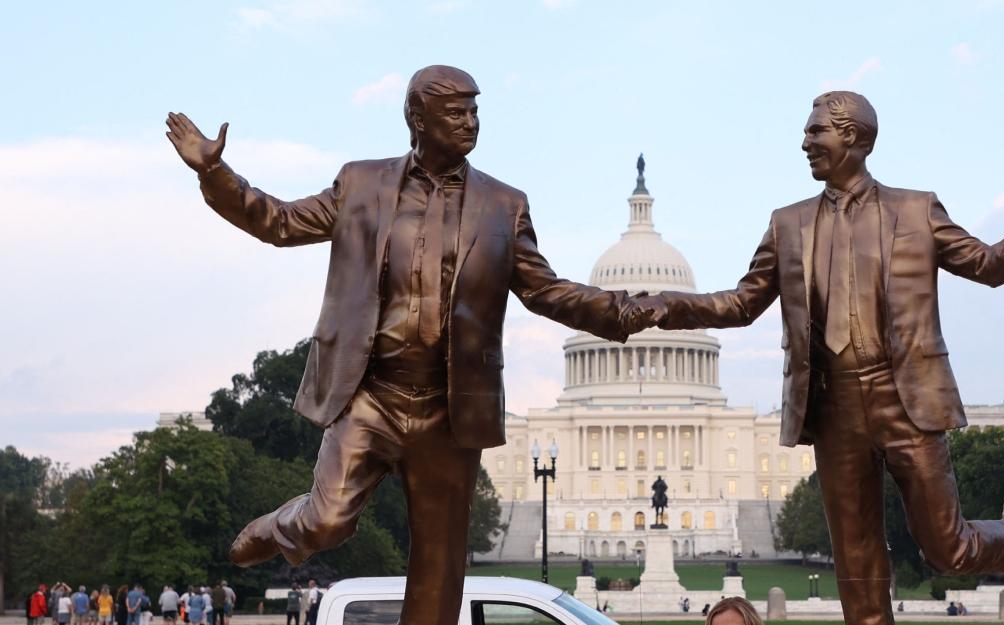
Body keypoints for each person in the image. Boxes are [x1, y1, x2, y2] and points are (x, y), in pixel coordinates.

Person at [164, 64, 653, 625]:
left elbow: (545, 292)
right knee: (327, 522)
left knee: (440, 573)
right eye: (457, 113)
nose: (471, 123)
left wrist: (620, 311)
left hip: (450, 407)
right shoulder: (361, 184)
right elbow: (279, 222)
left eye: (475, 111)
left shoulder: (503, 204)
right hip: (372, 393)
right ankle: (281, 526)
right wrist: (216, 172)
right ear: (417, 119)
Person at [636, 91, 1004, 625]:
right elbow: (742, 303)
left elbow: (990, 263)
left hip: (903, 396)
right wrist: (663, 306)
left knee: (950, 550)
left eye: (816, 133)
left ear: (854, 137)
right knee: (858, 573)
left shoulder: (915, 209)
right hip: (832, 405)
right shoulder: (787, 223)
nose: (805, 143)